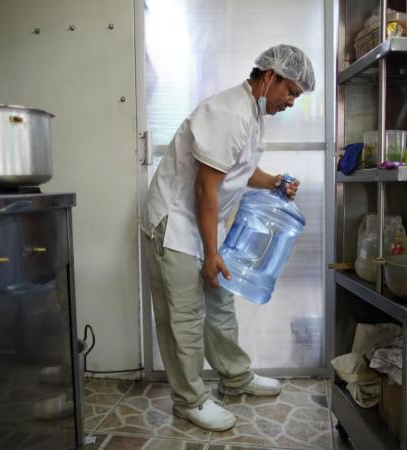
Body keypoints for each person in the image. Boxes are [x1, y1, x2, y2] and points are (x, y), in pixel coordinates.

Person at [140, 44, 315, 431]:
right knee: (183, 316)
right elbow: (206, 187)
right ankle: (189, 400)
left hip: (202, 222)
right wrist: (210, 253)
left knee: (219, 305)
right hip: (175, 223)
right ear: (270, 76)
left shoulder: (252, 113)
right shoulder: (230, 113)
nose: (291, 101)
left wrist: (272, 181)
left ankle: (235, 377)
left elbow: (235, 169)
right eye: (291, 91)